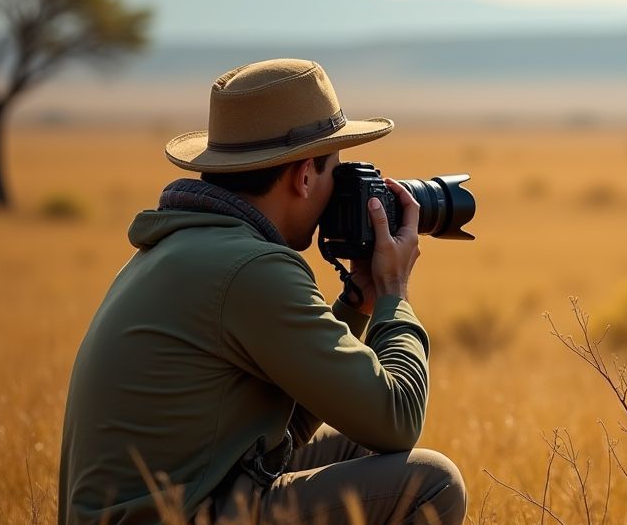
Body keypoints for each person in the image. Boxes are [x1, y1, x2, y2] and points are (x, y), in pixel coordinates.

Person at [58, 59, 466, 524]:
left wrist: (357, 304)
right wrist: (395, 292)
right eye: (337, 169)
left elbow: (274, 434)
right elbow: (398, 419)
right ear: (305, 175)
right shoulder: (253, 269)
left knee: (355, 442)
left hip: (183, 500)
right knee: (431, 481)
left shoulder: (178, 248)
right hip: (177, 514)